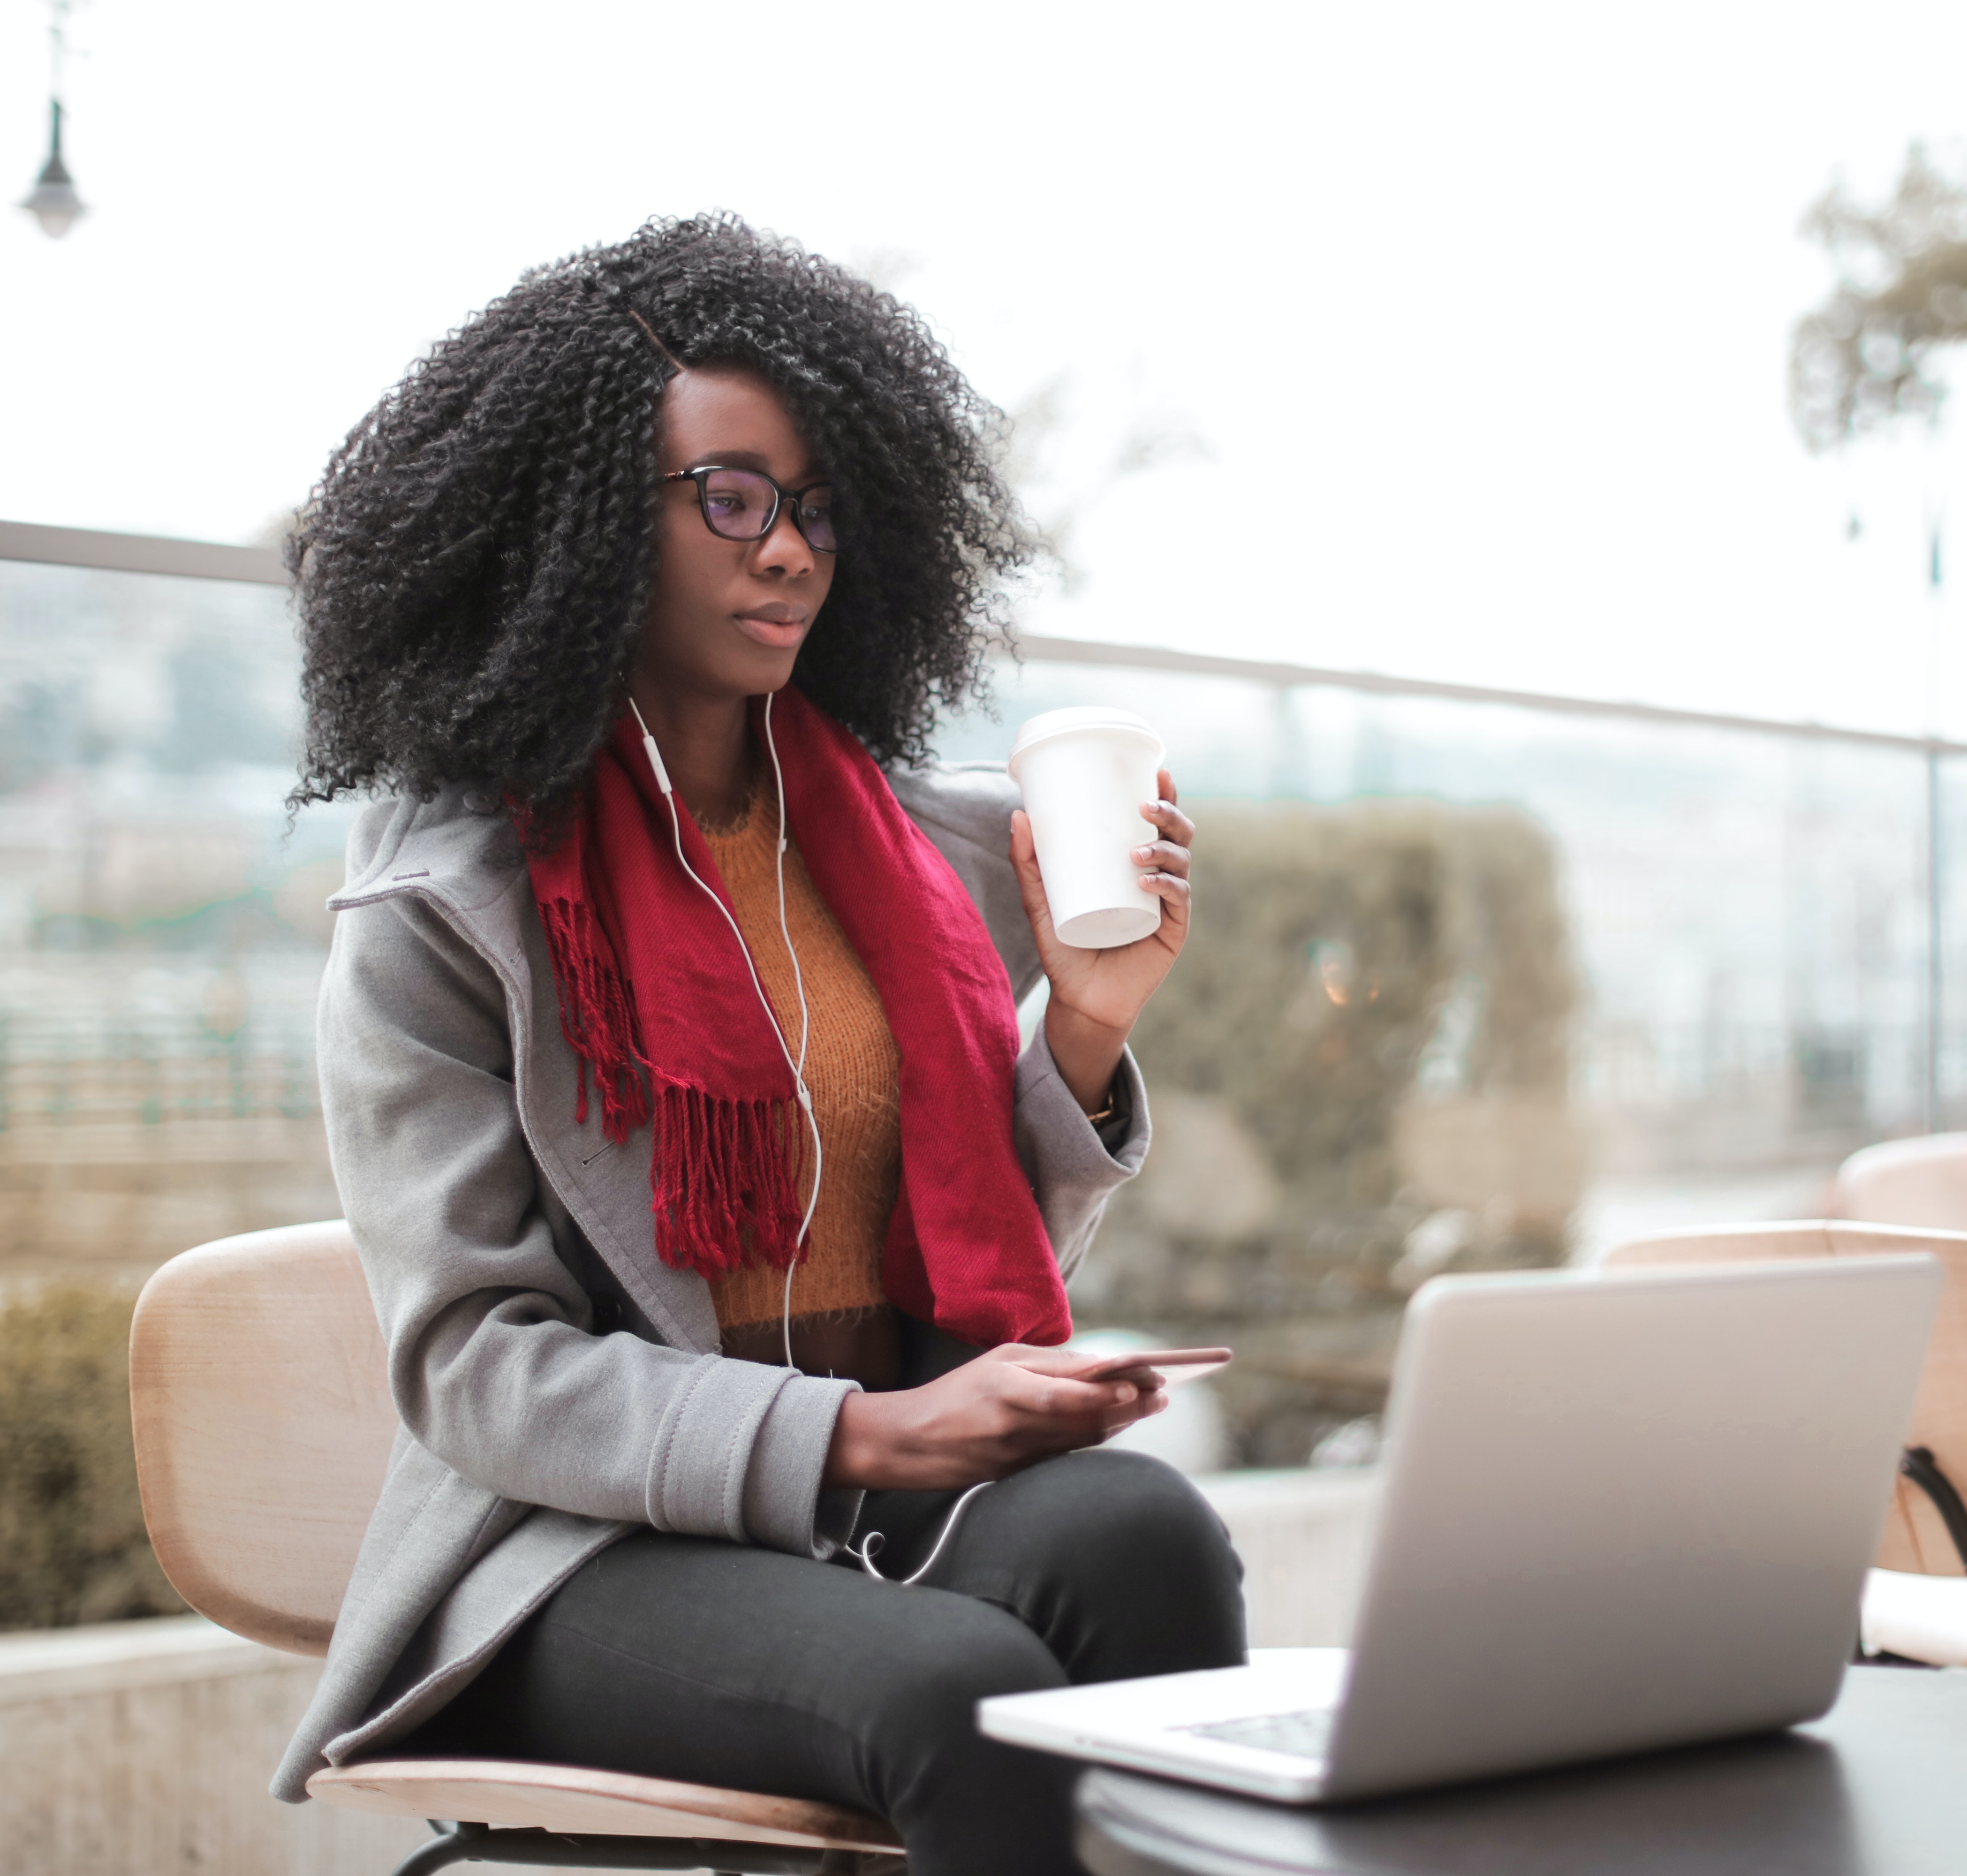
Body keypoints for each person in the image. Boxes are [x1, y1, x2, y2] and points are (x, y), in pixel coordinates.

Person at [269, 214, 1246, 1876]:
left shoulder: (918, 850)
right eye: (731, 497)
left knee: (1152, 1534)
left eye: (814, 505)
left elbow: (952, 1232)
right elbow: (476, 1370)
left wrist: (1083, 1025)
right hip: (581, 1549)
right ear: (576, 523)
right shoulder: (447, 905)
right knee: (964, 1691)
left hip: (878, 1478)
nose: (788, 550)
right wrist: (868, 1438)